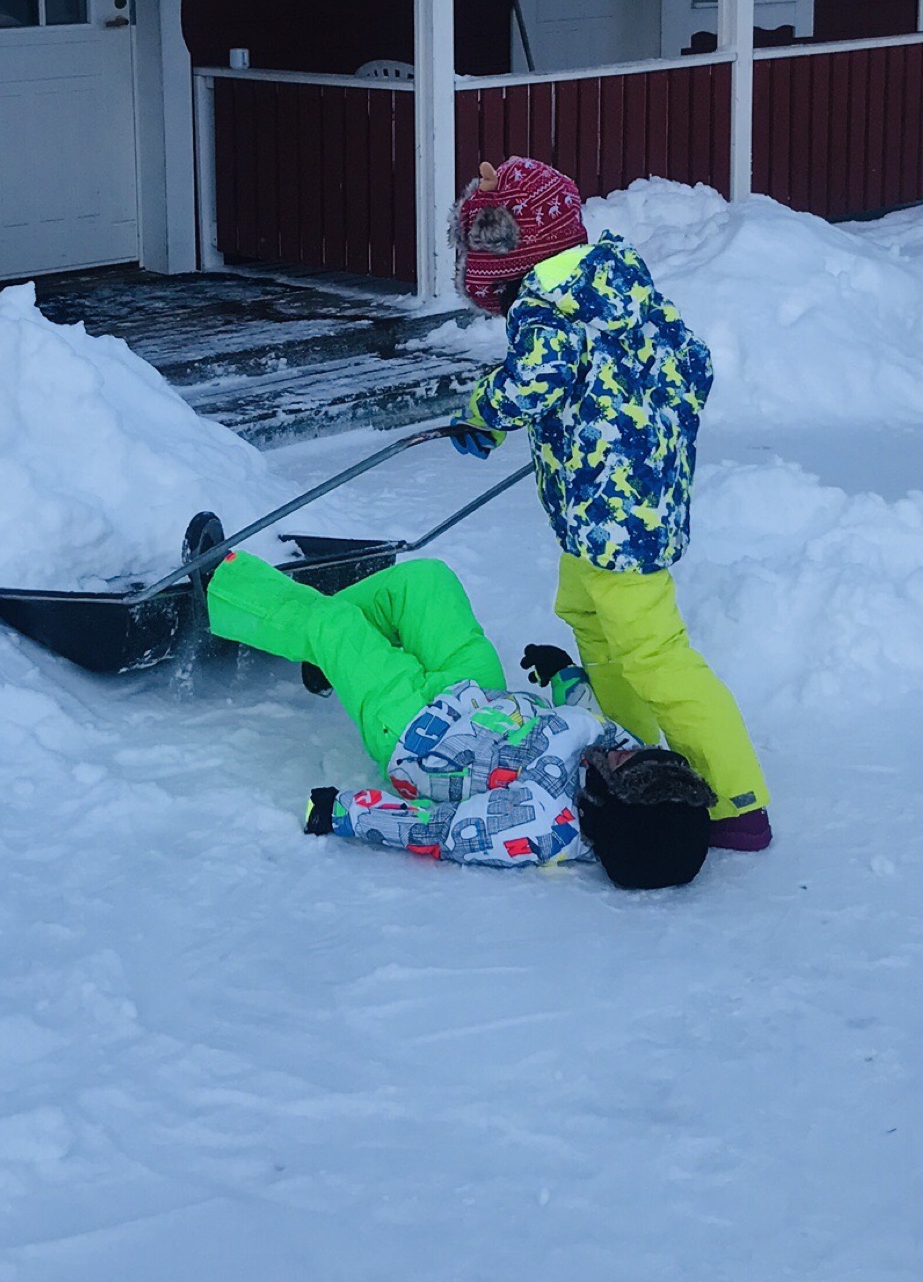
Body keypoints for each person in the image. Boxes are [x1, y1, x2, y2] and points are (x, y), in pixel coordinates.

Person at [447, 156, 772, 852]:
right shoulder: (611, 281)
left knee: (655, 653)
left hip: (612, 519)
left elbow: (535, 379)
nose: (482, 251)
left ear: (527, 240)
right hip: (618, 509)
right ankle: (630, 746)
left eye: (492, 234)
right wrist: (628, 432)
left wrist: (482, 408)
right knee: (589, 621)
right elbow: (690, 364)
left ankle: (739, 799)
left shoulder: (546, 302)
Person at [196, 534, 715, 890]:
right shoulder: (620, 756)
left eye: (637, 769)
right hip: (480, 698)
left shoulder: (531, 823)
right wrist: (562, 675)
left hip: (415, 734)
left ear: (616, 811)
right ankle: (319, 653)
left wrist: (346, 813)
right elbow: (583, 722)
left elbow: (437, 829)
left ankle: (222, 585)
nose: (635, 752)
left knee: (336, 628)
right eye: (653, 759)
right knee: (424, 583)